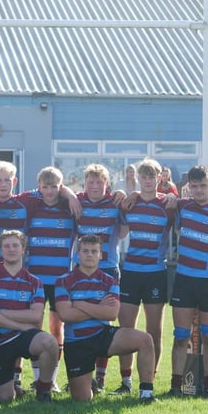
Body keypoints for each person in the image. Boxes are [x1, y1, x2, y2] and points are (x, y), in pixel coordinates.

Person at [55, 234, 157, 403]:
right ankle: (90, 383)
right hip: (77, 341)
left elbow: (111, 314)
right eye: (85, 251)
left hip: (102, 334)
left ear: (100, 255)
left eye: (94, 251)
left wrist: (80, 304)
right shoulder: (63, 281)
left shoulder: (110, 281)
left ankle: (146, 394)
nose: (89, 255)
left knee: (146, 339)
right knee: (82, 399)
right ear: (78, 254)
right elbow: (66, 315)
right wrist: (98, 307)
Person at [111, 158, 174, 394]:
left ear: (160, 178)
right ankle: (126, 382)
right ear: (137, 178)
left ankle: (149, 381)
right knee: (126, 329)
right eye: (144, 177)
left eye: (152, 176)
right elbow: (120, 231)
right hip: (131, 272)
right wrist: (126, 194)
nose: (147, 181)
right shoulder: (130, 203)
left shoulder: (168, 205)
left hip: (156, 273)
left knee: (154, 331)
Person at [0, 229, 59, 403]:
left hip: (23, 338)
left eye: (15, 245)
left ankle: (44, 390)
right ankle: (6, 384)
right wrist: (21, 325)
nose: (11, 249)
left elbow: (35, 316)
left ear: (23, 249)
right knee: (5, 398)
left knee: (50, 343)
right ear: (0, 250)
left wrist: (1, 312)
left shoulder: (35, 281)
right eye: (6, 246)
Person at [167, 165, 208, 400]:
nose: (199, 190)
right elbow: (160, 196)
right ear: (188, 188)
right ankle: (175, 387)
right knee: (181, 335)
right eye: (194, 186)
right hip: (184, 279)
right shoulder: (182, 206)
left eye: (203, 186)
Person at [74, 162, 127, 392]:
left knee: (103, 323)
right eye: (91, 182)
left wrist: (124, 194)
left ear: (107, 184)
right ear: (84, 183)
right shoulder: (77, 201)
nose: (95, 186)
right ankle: (84, 376)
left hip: (107, 270)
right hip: (80, 271)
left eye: (99, 182)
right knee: (81, 321)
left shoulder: (115, 203)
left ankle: (101, 378)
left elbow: (123, 233)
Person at [25, 166, 76, 393]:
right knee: (34, 328)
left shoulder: (68, 207)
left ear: (60, 187)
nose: (49, 191)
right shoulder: (32, 207)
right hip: (35, 280)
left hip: (60, 280)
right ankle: (37, 378)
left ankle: (51, 379)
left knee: (57, 328)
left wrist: (70, 194)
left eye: (54, 187)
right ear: (39, 187)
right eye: (45, 187)